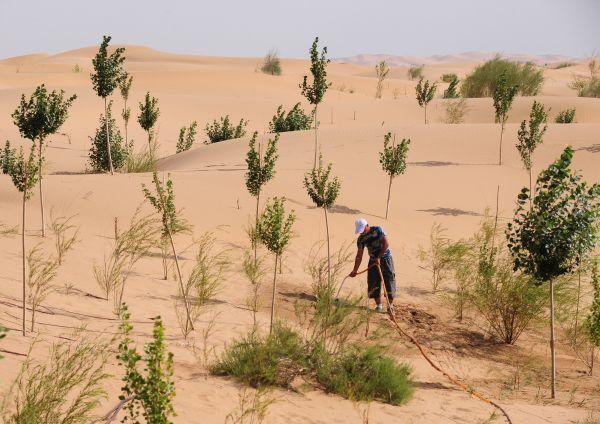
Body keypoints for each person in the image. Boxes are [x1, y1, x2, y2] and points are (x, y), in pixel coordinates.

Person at [349, 218, 396, 313]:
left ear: (367, 226)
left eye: (362, 230)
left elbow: (386, 243)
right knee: (373, 282)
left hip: (385, 258)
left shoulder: (378, 230)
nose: (361, 233)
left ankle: (390, 306)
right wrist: (355, 270)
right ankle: (378, 305)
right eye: (359, 231)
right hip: (373, 261)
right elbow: (359, 255)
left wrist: (379, 257)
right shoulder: (361, 239)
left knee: (389, 280)